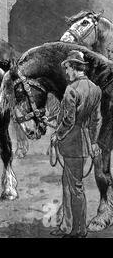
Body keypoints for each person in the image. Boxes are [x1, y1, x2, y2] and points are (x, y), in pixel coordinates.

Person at [50, 50, 102, 238]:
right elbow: (97, 120)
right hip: (85, 142)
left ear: (74, 68)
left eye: (68, 68)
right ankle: (66, 226)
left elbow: (69, 120)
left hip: (72, 143)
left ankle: (79, 230)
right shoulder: (95, 89)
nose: (66, 72)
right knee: (68, 184)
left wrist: (57, 135)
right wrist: (94, 142)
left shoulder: (71, 89)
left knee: (75, 188)